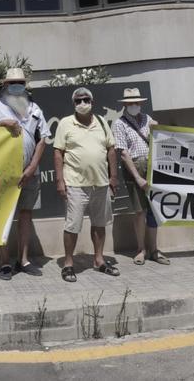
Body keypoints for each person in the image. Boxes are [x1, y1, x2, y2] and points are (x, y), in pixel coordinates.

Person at [0, 68, 51, 280]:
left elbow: (43, 139)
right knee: (2, 217)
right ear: (6, 85)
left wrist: (31, 168)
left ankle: (24, 259)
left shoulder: (35, 108)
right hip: (1, 174)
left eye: (20, 82)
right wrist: (1, 124)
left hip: (29, 172)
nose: (17, 85)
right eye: (13, 83)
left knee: (26, 214)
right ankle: (4, 263)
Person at [53, 87, 119, 282]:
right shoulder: (65, 123)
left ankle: (99, 260)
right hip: (75, 183)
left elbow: (111, 150)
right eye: (78, 100)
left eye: (86, 99)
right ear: (73, 104)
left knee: (100, 223)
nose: (83, 103)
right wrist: (59, 180)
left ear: (92, 101)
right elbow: (58, 152)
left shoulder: (101, 122)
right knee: (72, 225)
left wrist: (113, 177)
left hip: (101, 182)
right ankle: (68, 264)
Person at [113, 88, 169, 266]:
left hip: (153, 165)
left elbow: (162, 139)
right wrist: (137, 177)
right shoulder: (119, 123)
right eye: (130, 103)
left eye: (136, 102)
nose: (134, 105)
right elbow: (123, 153)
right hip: (135, 166)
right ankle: (141, 249)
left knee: (153, 210)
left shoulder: (148, 119)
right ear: (125, 105)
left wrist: (157, 128)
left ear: (141, 103)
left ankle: (154, 249)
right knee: (139, 211)